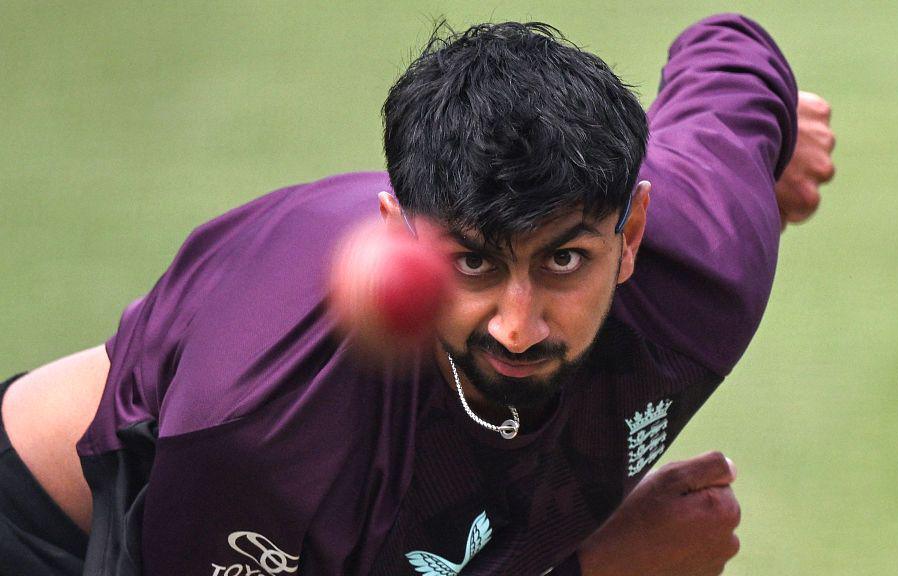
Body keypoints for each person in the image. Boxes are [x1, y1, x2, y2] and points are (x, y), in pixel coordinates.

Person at [0, 13, 834, 576]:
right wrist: (592, 569)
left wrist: (775, 147)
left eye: (564, 260)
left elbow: (733, 53)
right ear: (399, 234)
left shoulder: (703, 260)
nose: (518, 326)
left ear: (634, 232)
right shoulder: (268, 424)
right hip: (50, 532)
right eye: (472, 263)